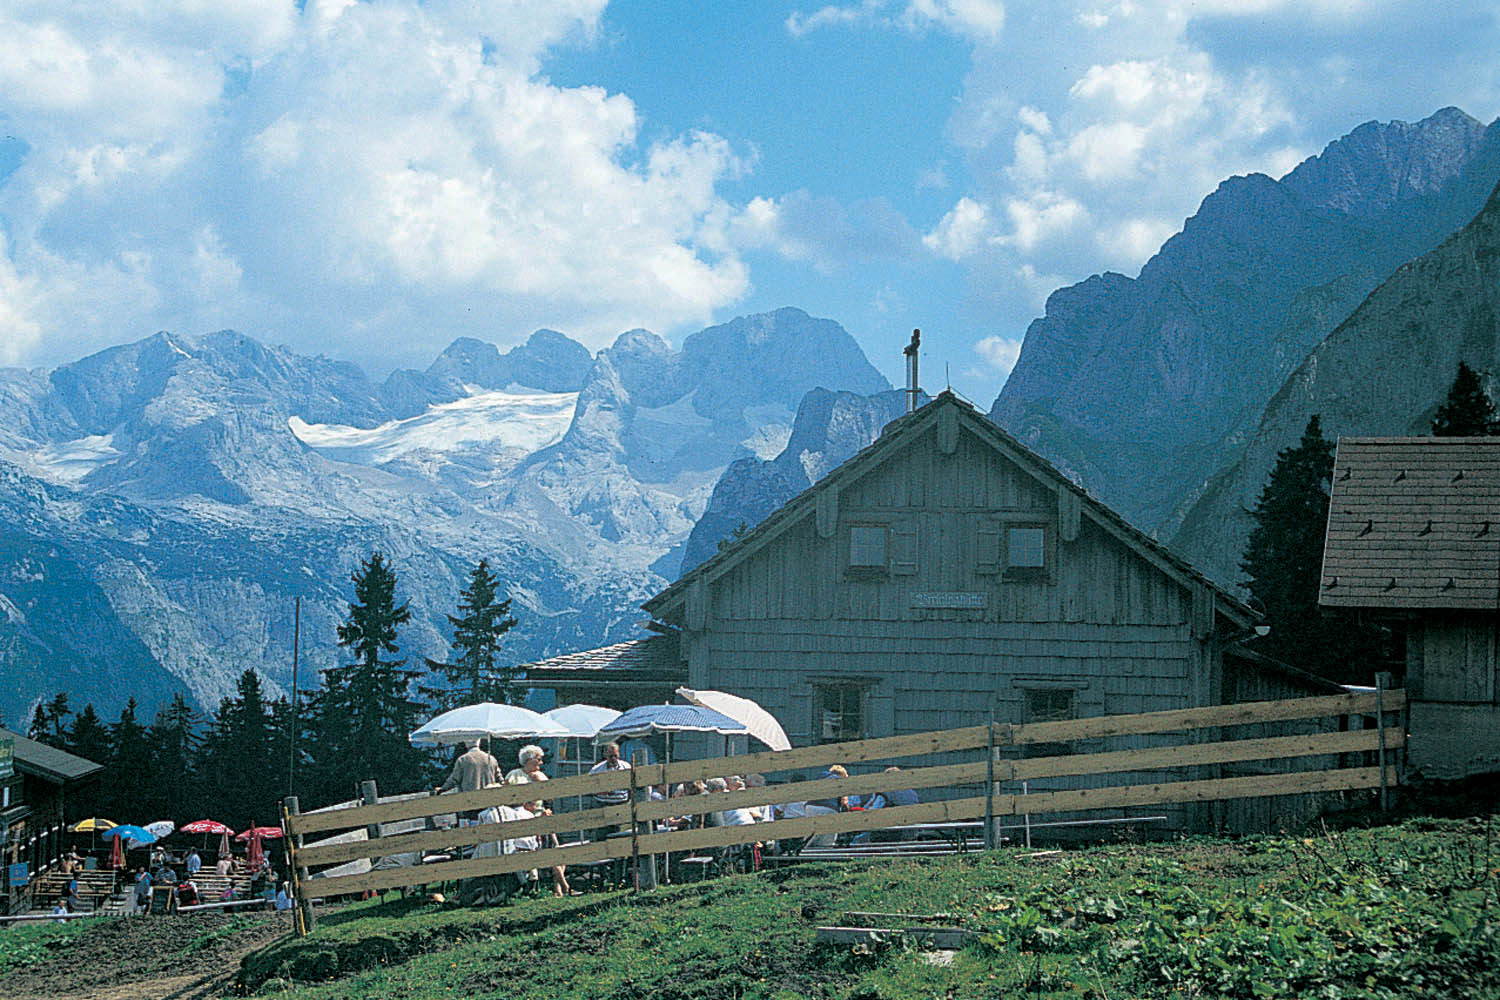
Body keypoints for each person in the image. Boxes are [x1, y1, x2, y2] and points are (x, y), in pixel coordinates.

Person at [588, 741, 631, 842]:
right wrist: (601, 791)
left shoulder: (626, 767)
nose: (613, 759)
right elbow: (589, 789)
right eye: (610, 756)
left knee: (621, 834)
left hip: (621, 804)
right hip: (603, 804)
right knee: (602, 834)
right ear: (605, 755)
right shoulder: (597, 770)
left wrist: (629, 800)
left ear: (619, 754)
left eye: (615, 756)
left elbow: (632, 787)